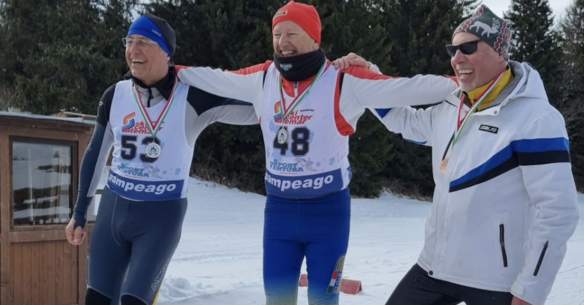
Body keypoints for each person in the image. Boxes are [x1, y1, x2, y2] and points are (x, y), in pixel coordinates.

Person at [173, 2, 458, 304]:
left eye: (292, 33)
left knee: (323, 298)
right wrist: (170, 71)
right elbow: (215, 77)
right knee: (278, 300)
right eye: (277, 34)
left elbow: (409, 88)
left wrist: (465, 80)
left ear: (314, 38)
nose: (282, 43)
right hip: (279, 212)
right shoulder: (263, 78)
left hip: (327, 213)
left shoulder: (343, 80)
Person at [344, 5, 579, 305]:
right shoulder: (452, 107)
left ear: (499, 52)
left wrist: (530, 291)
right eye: (452, 50)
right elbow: (404, 121)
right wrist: (368, 74)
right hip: (435, 267)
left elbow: (558, 212)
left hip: (496, 280)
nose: (457, 59)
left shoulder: (536, 119)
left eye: (467, 47)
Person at [64, 14, 258, 305]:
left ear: (167, 52)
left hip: (160, 218)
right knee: (96, 300)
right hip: (113, 212)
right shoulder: (115, 95)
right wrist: (80, 211)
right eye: (129, 42)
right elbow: (95, 153)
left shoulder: (193, 96)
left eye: (143, 42)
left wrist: (310, 88)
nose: (133, 50)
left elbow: (261, 110)